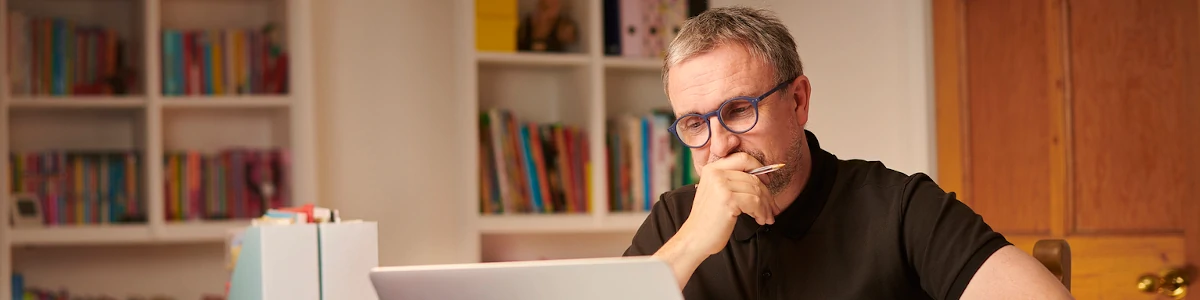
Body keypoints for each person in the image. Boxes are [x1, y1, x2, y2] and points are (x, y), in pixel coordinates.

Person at [623, 6, 1073, 300]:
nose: (719, 146)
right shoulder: (674, 220)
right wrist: (690, 245)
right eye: (695, 124)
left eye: (740, 110)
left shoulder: (898, 206)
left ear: (798, 101)